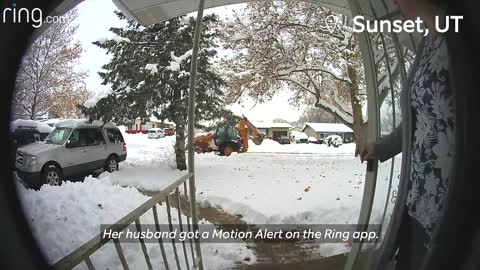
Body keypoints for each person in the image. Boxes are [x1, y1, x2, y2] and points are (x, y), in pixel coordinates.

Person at [356, 0, 454, 269]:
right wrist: (381, 148)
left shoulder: (464, 37)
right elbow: (418, 118)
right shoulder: (427, 43)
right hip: (416, 199)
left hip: (452, 206)